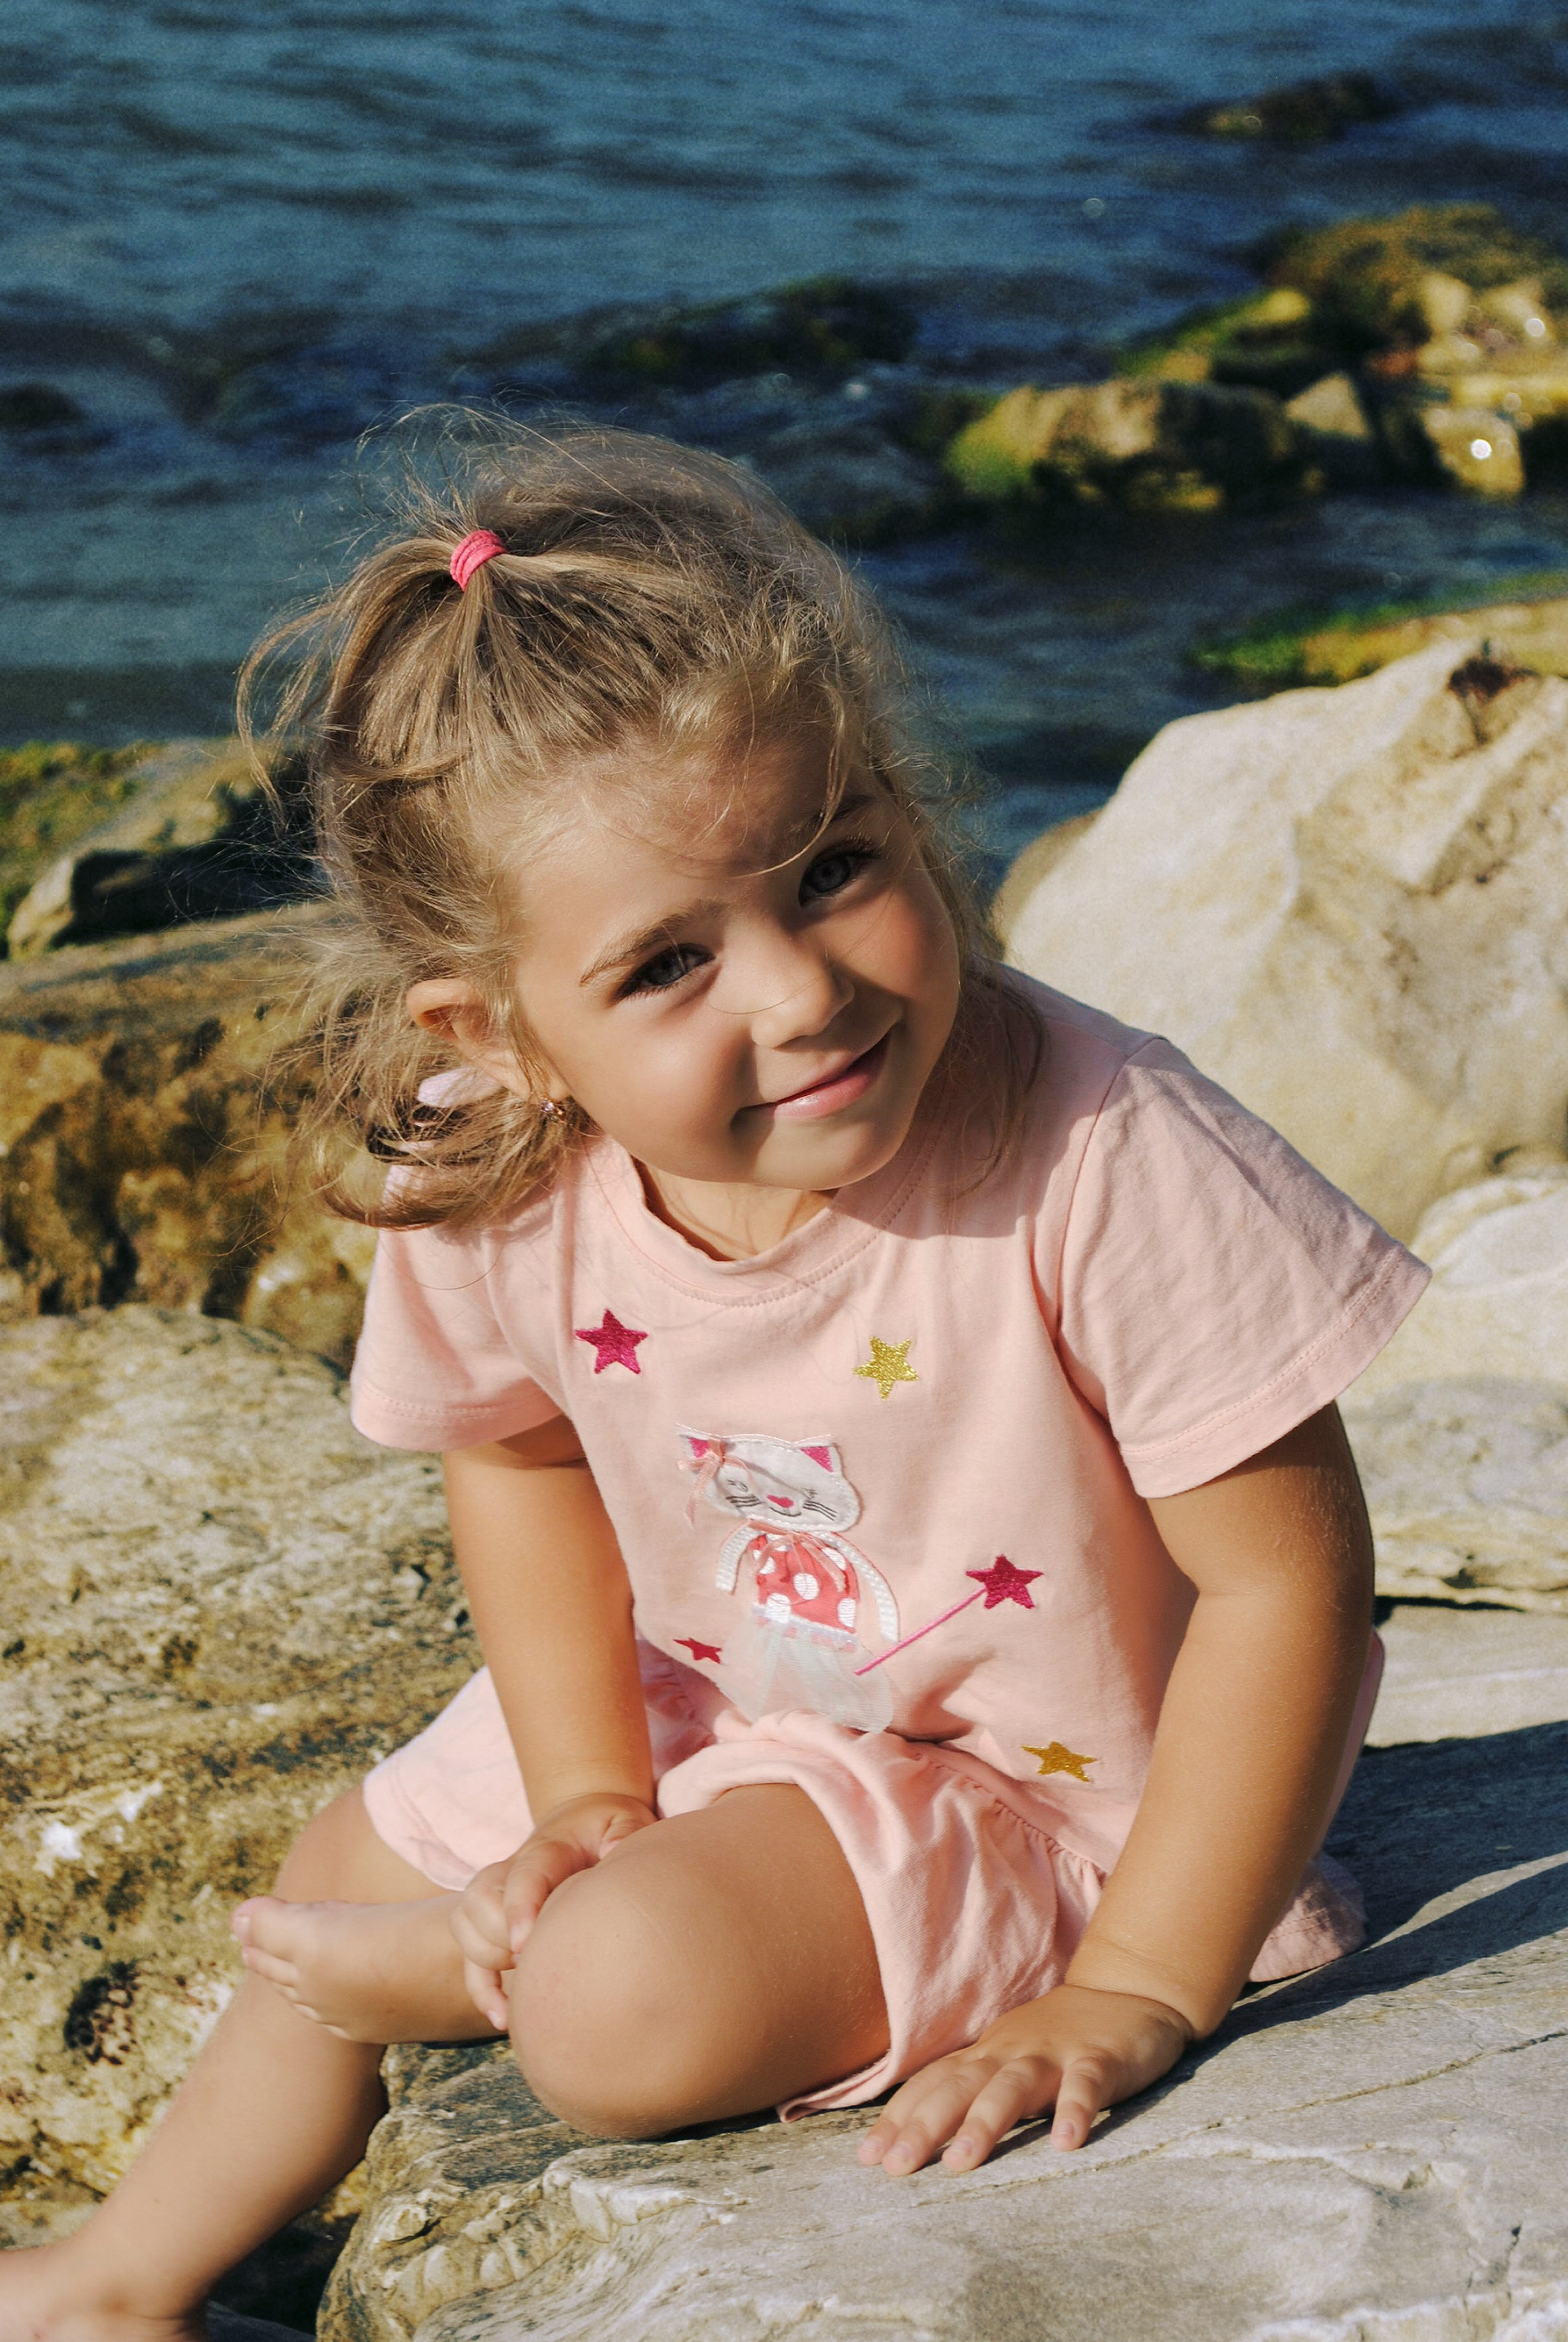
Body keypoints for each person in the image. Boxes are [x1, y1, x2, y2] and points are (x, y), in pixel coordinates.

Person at [6, 422, 1427, 2341]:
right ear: (502, 1032)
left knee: (615, 2009)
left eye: (835, 868)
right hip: (731, 1694)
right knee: (356, 1844)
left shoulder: (1102, 1150)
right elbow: (517, 1455)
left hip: (1042, 1799)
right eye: (669, 963)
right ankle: (118, 2280)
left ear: (906, 802)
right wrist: (587, 1784)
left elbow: (1294, 1590)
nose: (800, 992)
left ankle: (475, 1972)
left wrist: (1144, 1984)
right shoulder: (506, 1168)